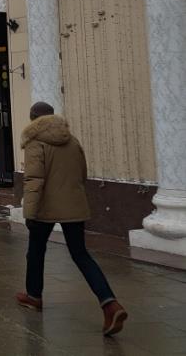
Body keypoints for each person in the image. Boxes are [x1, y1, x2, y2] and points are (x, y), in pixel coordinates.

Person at [16, 101, 127, 336]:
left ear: (33, 118)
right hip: (74, 205)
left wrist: (29, 213)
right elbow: (82, 174)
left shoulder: (35, 142)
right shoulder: (73, 141)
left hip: (45, 208)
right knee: (81, 255)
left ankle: (34, 296)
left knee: (35, 251)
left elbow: (34, 180)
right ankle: (110, 304)